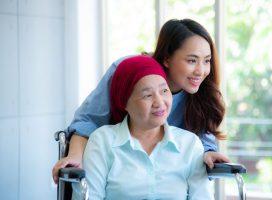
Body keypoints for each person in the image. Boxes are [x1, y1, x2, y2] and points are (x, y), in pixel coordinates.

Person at [52, 19, 229, 183]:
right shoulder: (128, 72)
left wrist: (209, 153)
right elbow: (88, 121)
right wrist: (74, 156)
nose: (201, 71)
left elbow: (204, 141)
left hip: (169, 182)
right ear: (167, 58)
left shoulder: (200, 92)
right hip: (118, 175)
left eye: (207, 61)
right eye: (192, 60)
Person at [72, 55, 213, 199]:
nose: (159, 102)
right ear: (124, 102)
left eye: (164, 91)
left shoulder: (190, 144)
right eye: (147, 95)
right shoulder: (102, 141)